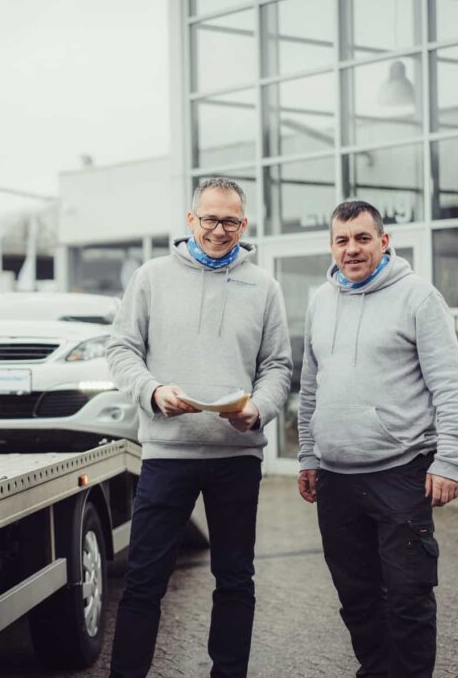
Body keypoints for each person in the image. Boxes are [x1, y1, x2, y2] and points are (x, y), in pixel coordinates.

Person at [106, 177, 292, 678]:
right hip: (168, 453)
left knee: (235, 579)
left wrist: (259, 409)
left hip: (237, 455)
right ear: (191, 220)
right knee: (144, 580)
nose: (218, 230)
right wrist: (152, 391)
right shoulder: (151, 277)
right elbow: (121, 349)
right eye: (208, 219)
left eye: (230, 221)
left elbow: (278, 367)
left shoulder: (264, 287)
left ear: (244, 224)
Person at [297, 200, 458, 678]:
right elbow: (310, 386)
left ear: (384, 241)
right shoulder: (320, 299)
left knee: (408, 596)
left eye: (362, 238)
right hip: (335, 479)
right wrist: (308, 455)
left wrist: (449, 460)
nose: (351, 249)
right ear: (331, 245)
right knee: (355, 597)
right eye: (342, 240)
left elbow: (451, 385)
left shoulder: (417, 296)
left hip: (400, 473)